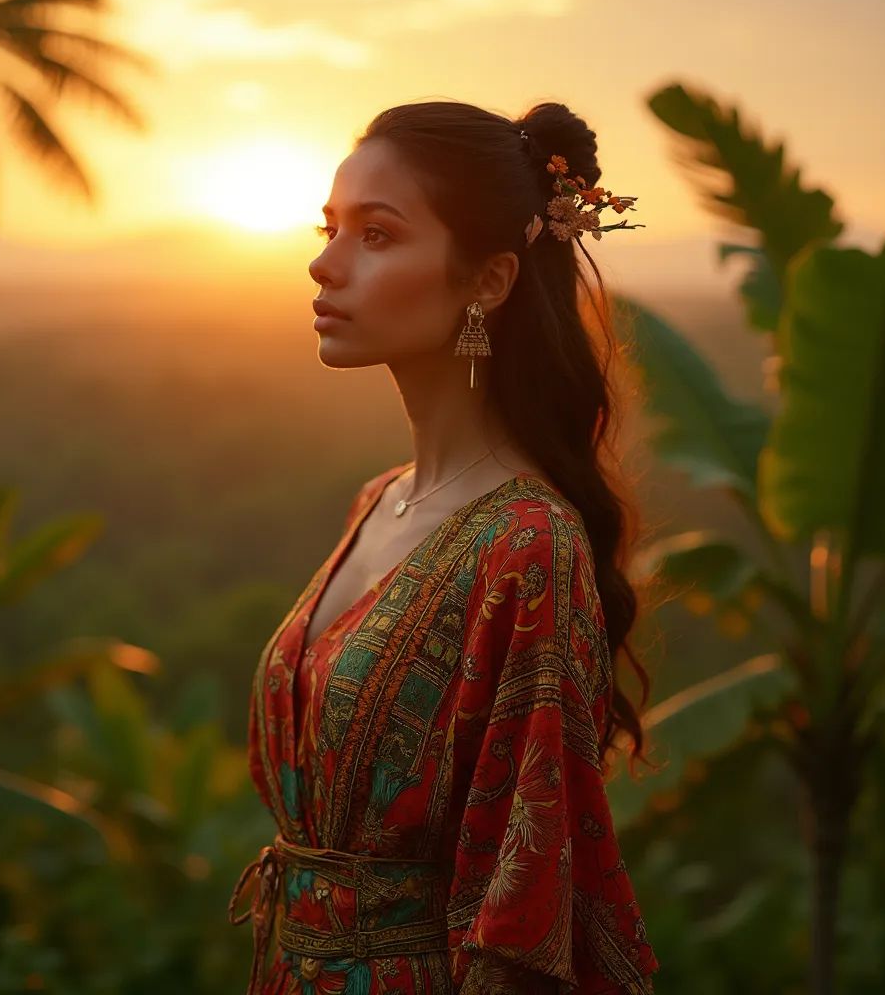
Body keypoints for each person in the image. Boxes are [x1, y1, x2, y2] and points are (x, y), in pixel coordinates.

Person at [229, 99, 659, 994]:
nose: (324, 261)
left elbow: (525, 902)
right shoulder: (378, 500)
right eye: (330, 226)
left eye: (376, 236)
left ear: (489, 282)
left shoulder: (527, 546)